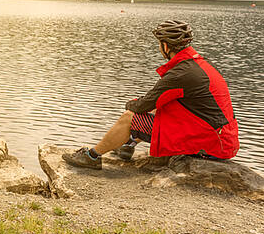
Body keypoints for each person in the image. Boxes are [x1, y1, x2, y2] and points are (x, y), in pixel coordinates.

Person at [63, 20, 239, 169]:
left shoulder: (181, 73)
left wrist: (131, 104)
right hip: (221, 138)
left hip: (212, 144)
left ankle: (92, 157)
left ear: (165, 46)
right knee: (163, 106)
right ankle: (127, 145)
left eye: (159, 44)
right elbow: (159, 102)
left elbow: (143, 105)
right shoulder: (197, 64)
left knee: (129, 117)